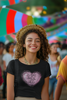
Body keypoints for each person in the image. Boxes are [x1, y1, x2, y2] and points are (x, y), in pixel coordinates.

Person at [6, 24, 51, 100]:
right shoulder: (13, 64)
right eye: (29, 40)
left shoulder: (45, 65)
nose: (33, 43)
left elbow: (45, 93)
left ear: (40, 44)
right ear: (23, 44)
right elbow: (10, 93)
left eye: (37, 41)